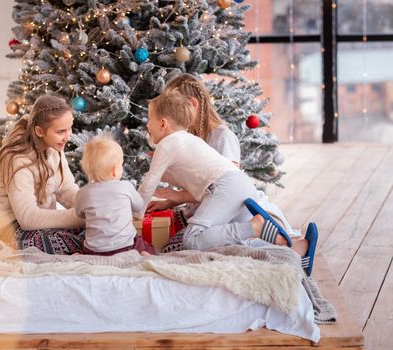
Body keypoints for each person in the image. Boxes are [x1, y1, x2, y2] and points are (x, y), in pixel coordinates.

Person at [138, 91, 317, 274]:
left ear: (163, 124)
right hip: (238, 183)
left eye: (149, 118)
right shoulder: (188, 140)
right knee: (237, 243)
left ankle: (254, 227)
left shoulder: (167, 144)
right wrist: (162, 175)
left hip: (224, 187)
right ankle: (299, 250)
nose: (147, 124)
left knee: (191, 239)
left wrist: (137, 212)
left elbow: (149, 183)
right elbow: (184, 174)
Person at [152, 73, 300, 239]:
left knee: (185, 242)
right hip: (207, 211)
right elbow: (200, 185)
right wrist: (172, 200)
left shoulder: (223, 137)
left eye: (172, 109)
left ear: (193, 104)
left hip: (235, 215)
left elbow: (225, 190)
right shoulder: (190, 139)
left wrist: (178, 196)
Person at [0, 94, 84, 255]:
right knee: (65, 242)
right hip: (10, 227)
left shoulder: (54, 146)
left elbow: (66, 189)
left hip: (39, 224)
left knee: (94, 230)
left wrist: (90, 208)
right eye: (61, 131)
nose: (68, 136)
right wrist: (78, 218)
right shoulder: (16, 159)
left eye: (69, 128)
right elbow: (27, 218)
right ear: (39, 131)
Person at [75, 135, 155, 256]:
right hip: (125, 246)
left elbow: (79, 214)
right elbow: (139, 205)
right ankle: (143, 254)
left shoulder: (83, 192)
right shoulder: (125, 186)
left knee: (83, 243)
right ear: (114, 171)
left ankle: (81, 255)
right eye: (121, 165)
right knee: (145, 245)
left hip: (94, 250)